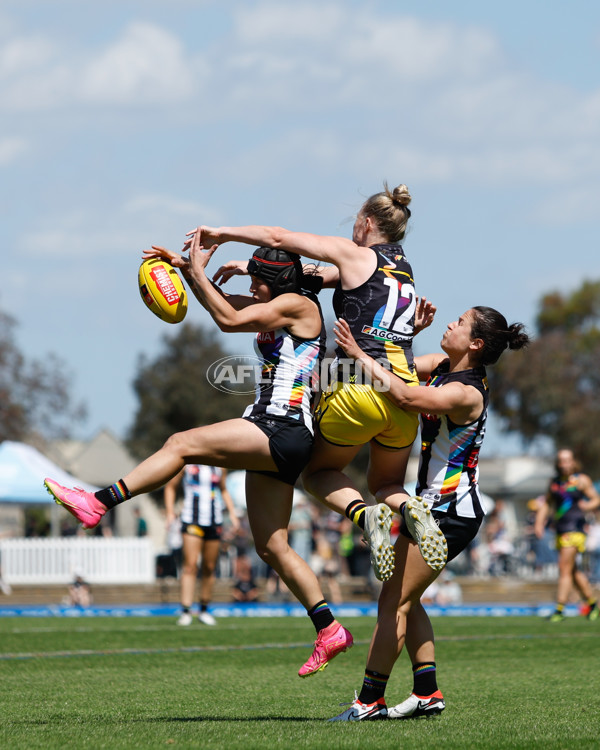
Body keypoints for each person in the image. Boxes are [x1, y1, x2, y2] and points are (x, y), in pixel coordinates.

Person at [45, 241, 353, 678]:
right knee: (271, 545)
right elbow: (222, 304)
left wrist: (196, 269)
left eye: (255, 281)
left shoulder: (297, 305)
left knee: (179, 443)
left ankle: (98, 502)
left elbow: (227, 319)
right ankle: (330, 629)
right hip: (280, 430)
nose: (250, 286)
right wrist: (188, 271)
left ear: (272, 282)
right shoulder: (279, 302)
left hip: (279, 425)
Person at [188, 183, 440, 581]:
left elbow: (278, 238)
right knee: (387, 482)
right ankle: (407, 508)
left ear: (366, 222)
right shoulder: (403, 269)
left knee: (317, 476)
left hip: (358, 389)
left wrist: (222, 234)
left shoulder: (354, 254)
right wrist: (252, 267)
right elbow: (307, 277)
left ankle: (365, 517)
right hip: (405, 394)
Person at [327, 306, 529, 721]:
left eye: (459, 322)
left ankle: (368, 702)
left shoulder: (467, 391)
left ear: (475, 343)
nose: (450, 324)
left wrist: (355, 351)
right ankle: (426, 692)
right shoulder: (441, 366)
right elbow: (397, 371)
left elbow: (404, 395)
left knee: (394, 603)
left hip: (450, 511)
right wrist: (403, 340)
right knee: (408, 598)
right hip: (426, 508)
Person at [164, 465, 239, 626]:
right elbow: (170, 486)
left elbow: (223, 489)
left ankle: (204, 610)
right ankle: (186, 611)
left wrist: (232, 513)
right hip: (192, 519)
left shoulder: (220, 466)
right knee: (190, 565)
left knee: (209, 566)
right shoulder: (188, 464)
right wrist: (170, 512)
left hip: (214, 520)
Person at [534, 448, 600, 622]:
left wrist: (588, 506)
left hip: (575, 530)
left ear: (573, 462)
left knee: (563, 568)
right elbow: (547, 504)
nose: (564, 464)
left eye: (567, 460)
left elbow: (596, 498)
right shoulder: (554, 483)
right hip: (560, 530)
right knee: (572, 570)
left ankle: (560, 609)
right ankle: (593, 605)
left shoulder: (581, 480)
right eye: (561, 461)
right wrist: (539, 523)